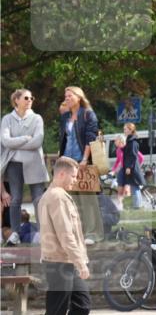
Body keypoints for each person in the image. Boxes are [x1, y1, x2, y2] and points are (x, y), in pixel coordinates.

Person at [34, 157, 91, 315]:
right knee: (56, 312)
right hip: (59, 261)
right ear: (61, 174)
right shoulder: (56, 197)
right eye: (74, 176)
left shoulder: (57, 196)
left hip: (65, 260)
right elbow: (65, 233)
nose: (75, 181)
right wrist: (79, 261)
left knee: (82, 304)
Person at [1, 89, 47, 245]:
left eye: (31, 98)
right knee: (16, 200)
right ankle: (15, 233)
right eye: (26, 98)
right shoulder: (7, 119)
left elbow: (37, 142)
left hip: (35, 163)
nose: (30, 100)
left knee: (39, 200)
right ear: (16, 100)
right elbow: (5, 141)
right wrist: (25, 138)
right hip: (14, 164)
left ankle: (43, 233)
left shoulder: (37, 118)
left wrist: (16, 143)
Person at [58, 86, 101, 244]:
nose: (66, 98)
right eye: (65, 96)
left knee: (88, 200)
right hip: (68, 162)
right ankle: (79, 233)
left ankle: (93, 233)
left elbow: (91, 137)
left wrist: (84, 159)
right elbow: (64, 139)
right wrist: (61, 158)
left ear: (78, 97)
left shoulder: (88, 114)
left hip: (83, 162)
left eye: (69, 96)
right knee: (73, 200)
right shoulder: (65, 117)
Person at [117, 123, 144, 210]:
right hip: (132, 167)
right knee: (134, 186)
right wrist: (121, 147)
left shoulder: (133, 141)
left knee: (134, 186)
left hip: (132, 168)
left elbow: (132, 155)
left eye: (125, 129)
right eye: (124, 129)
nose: (124, 131)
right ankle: (138, 205)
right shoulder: (130, 140)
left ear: (131, 130)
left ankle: (137, 206)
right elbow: (127, 151)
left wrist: (128, 167)